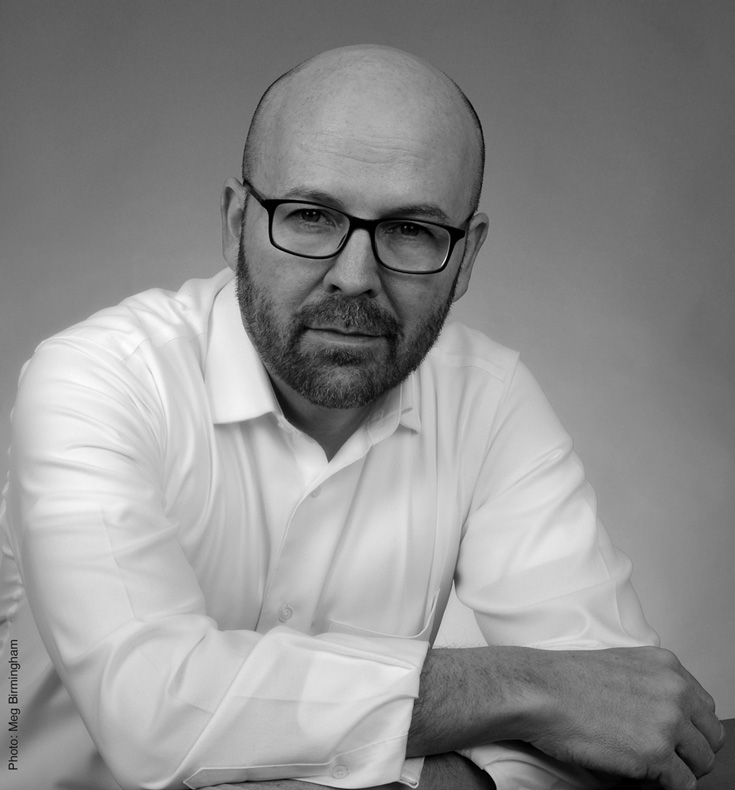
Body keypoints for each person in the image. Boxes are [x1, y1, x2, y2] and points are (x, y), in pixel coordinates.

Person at [0, 44, 724, 790]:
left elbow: (621, 718)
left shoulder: (489, 396)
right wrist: (519, 691)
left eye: (411, 230)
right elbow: (149, 708)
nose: (354, 275)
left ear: (465, 256)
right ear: (236, 221)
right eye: (309, 216)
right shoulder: (94, 379)